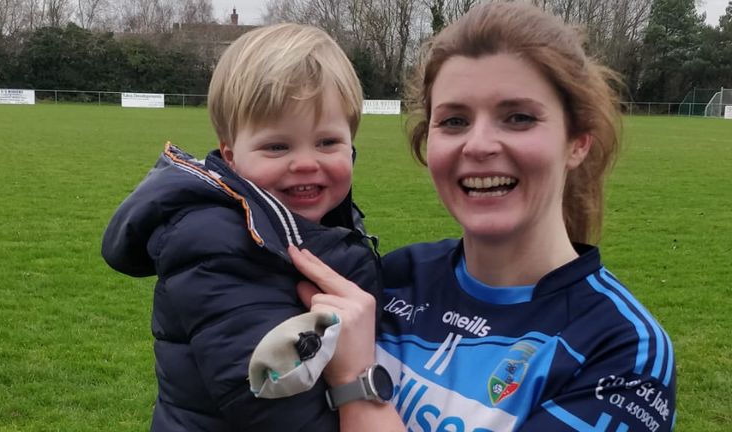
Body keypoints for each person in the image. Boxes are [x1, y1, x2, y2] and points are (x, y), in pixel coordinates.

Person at [289, 2, 676, 431]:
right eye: (454, 120)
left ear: (577, 142)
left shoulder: (622, 348)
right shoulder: (395, 276)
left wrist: (355, 382)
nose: (478, 145)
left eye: (519, 118)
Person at [101, 23, 381, 431]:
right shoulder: (217, 242)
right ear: (231, 157)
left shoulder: (304, 226)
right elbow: (271, 399)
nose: (306, 162)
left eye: (327, 143)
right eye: (277, 146)